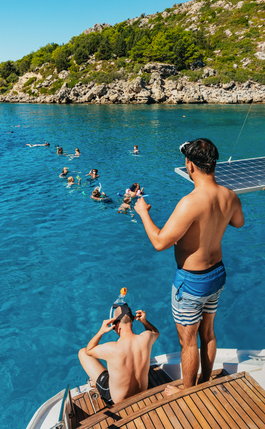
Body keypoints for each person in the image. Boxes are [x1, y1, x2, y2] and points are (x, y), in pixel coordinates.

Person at [134, 138, 244, 396]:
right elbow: (238, 222)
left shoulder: (190, 202)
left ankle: (187, 393)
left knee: (188, 342)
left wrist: (143, 213)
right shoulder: (229, 195)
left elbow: (160, 242)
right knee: (208, 332)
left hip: (192, 281)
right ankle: (205, 381)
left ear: (190, 165)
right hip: (217, 274)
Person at [78, 305, 160, 405]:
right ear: (133, 319)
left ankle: (95, 382)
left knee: (82, 353)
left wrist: (101, 331)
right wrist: (144, 321)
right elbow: (155, 332)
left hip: (116, 402)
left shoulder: (112, 348)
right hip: (142, 393)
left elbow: (88, 351)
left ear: (116, 326)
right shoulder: (146, 338)